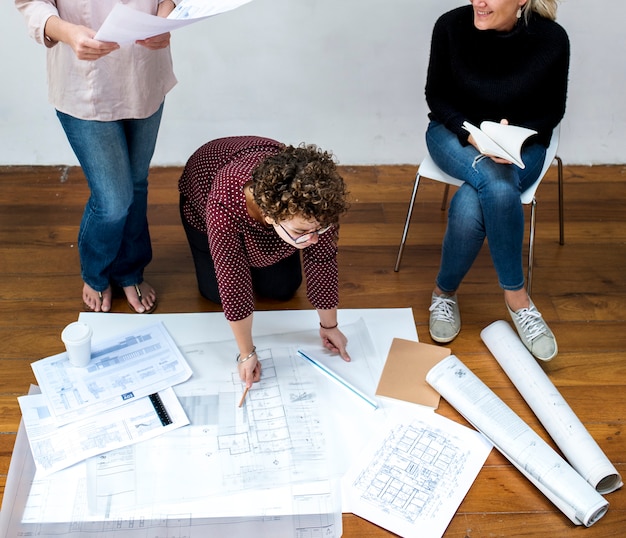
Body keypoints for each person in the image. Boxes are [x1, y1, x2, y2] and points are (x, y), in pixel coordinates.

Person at [424, 0, 569, 361]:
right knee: (496, 182)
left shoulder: (551, 39)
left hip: (522, 143)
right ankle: (518, 301)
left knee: (479, 195)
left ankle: (444, 293)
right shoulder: (450, 26)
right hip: (454, 135)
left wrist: (514, 136)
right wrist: (473, 134)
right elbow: (436, 96)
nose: (479, 1)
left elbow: (553, 109)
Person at [15, 0, 179, 313]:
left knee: (136, 181)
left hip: (144, 72)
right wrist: (67, 32)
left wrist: (165, 15)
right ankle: (95, 272)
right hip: (82, 80)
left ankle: (130, 270)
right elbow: (32, 4)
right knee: (113, 200)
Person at [178, 136, 350, 387]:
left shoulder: (317, 204)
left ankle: (262, 253)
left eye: (319, 230)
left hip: (274, 213)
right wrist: (247, 353)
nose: (313, 239)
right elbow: (232, 280)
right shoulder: (222, 203)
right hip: (203, 196)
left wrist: (330, 325)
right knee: (215, 293)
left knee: (282, 288)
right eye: (303, 232)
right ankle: (246, 251)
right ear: (271, 216)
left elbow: (322, 259)